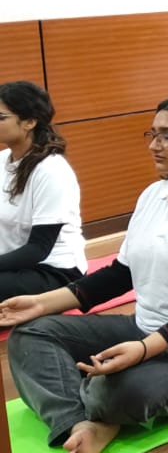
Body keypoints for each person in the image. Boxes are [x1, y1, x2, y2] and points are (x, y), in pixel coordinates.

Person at [0, 94, 168, 453]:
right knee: (31, 335)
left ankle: (102, 410)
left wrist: (142, 351)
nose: (155, 144)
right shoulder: (154, 195)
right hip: (145, 327)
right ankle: (79, 423)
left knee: (116, 387)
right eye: (153, 134)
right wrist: (41, 303)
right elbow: (121, 273)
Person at [0, 81, 86, 300]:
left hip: (54, 270)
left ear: (29, 122)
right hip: (13, 264)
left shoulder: (52, 170)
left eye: (1, 117)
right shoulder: (2, 159)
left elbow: (38, 249)